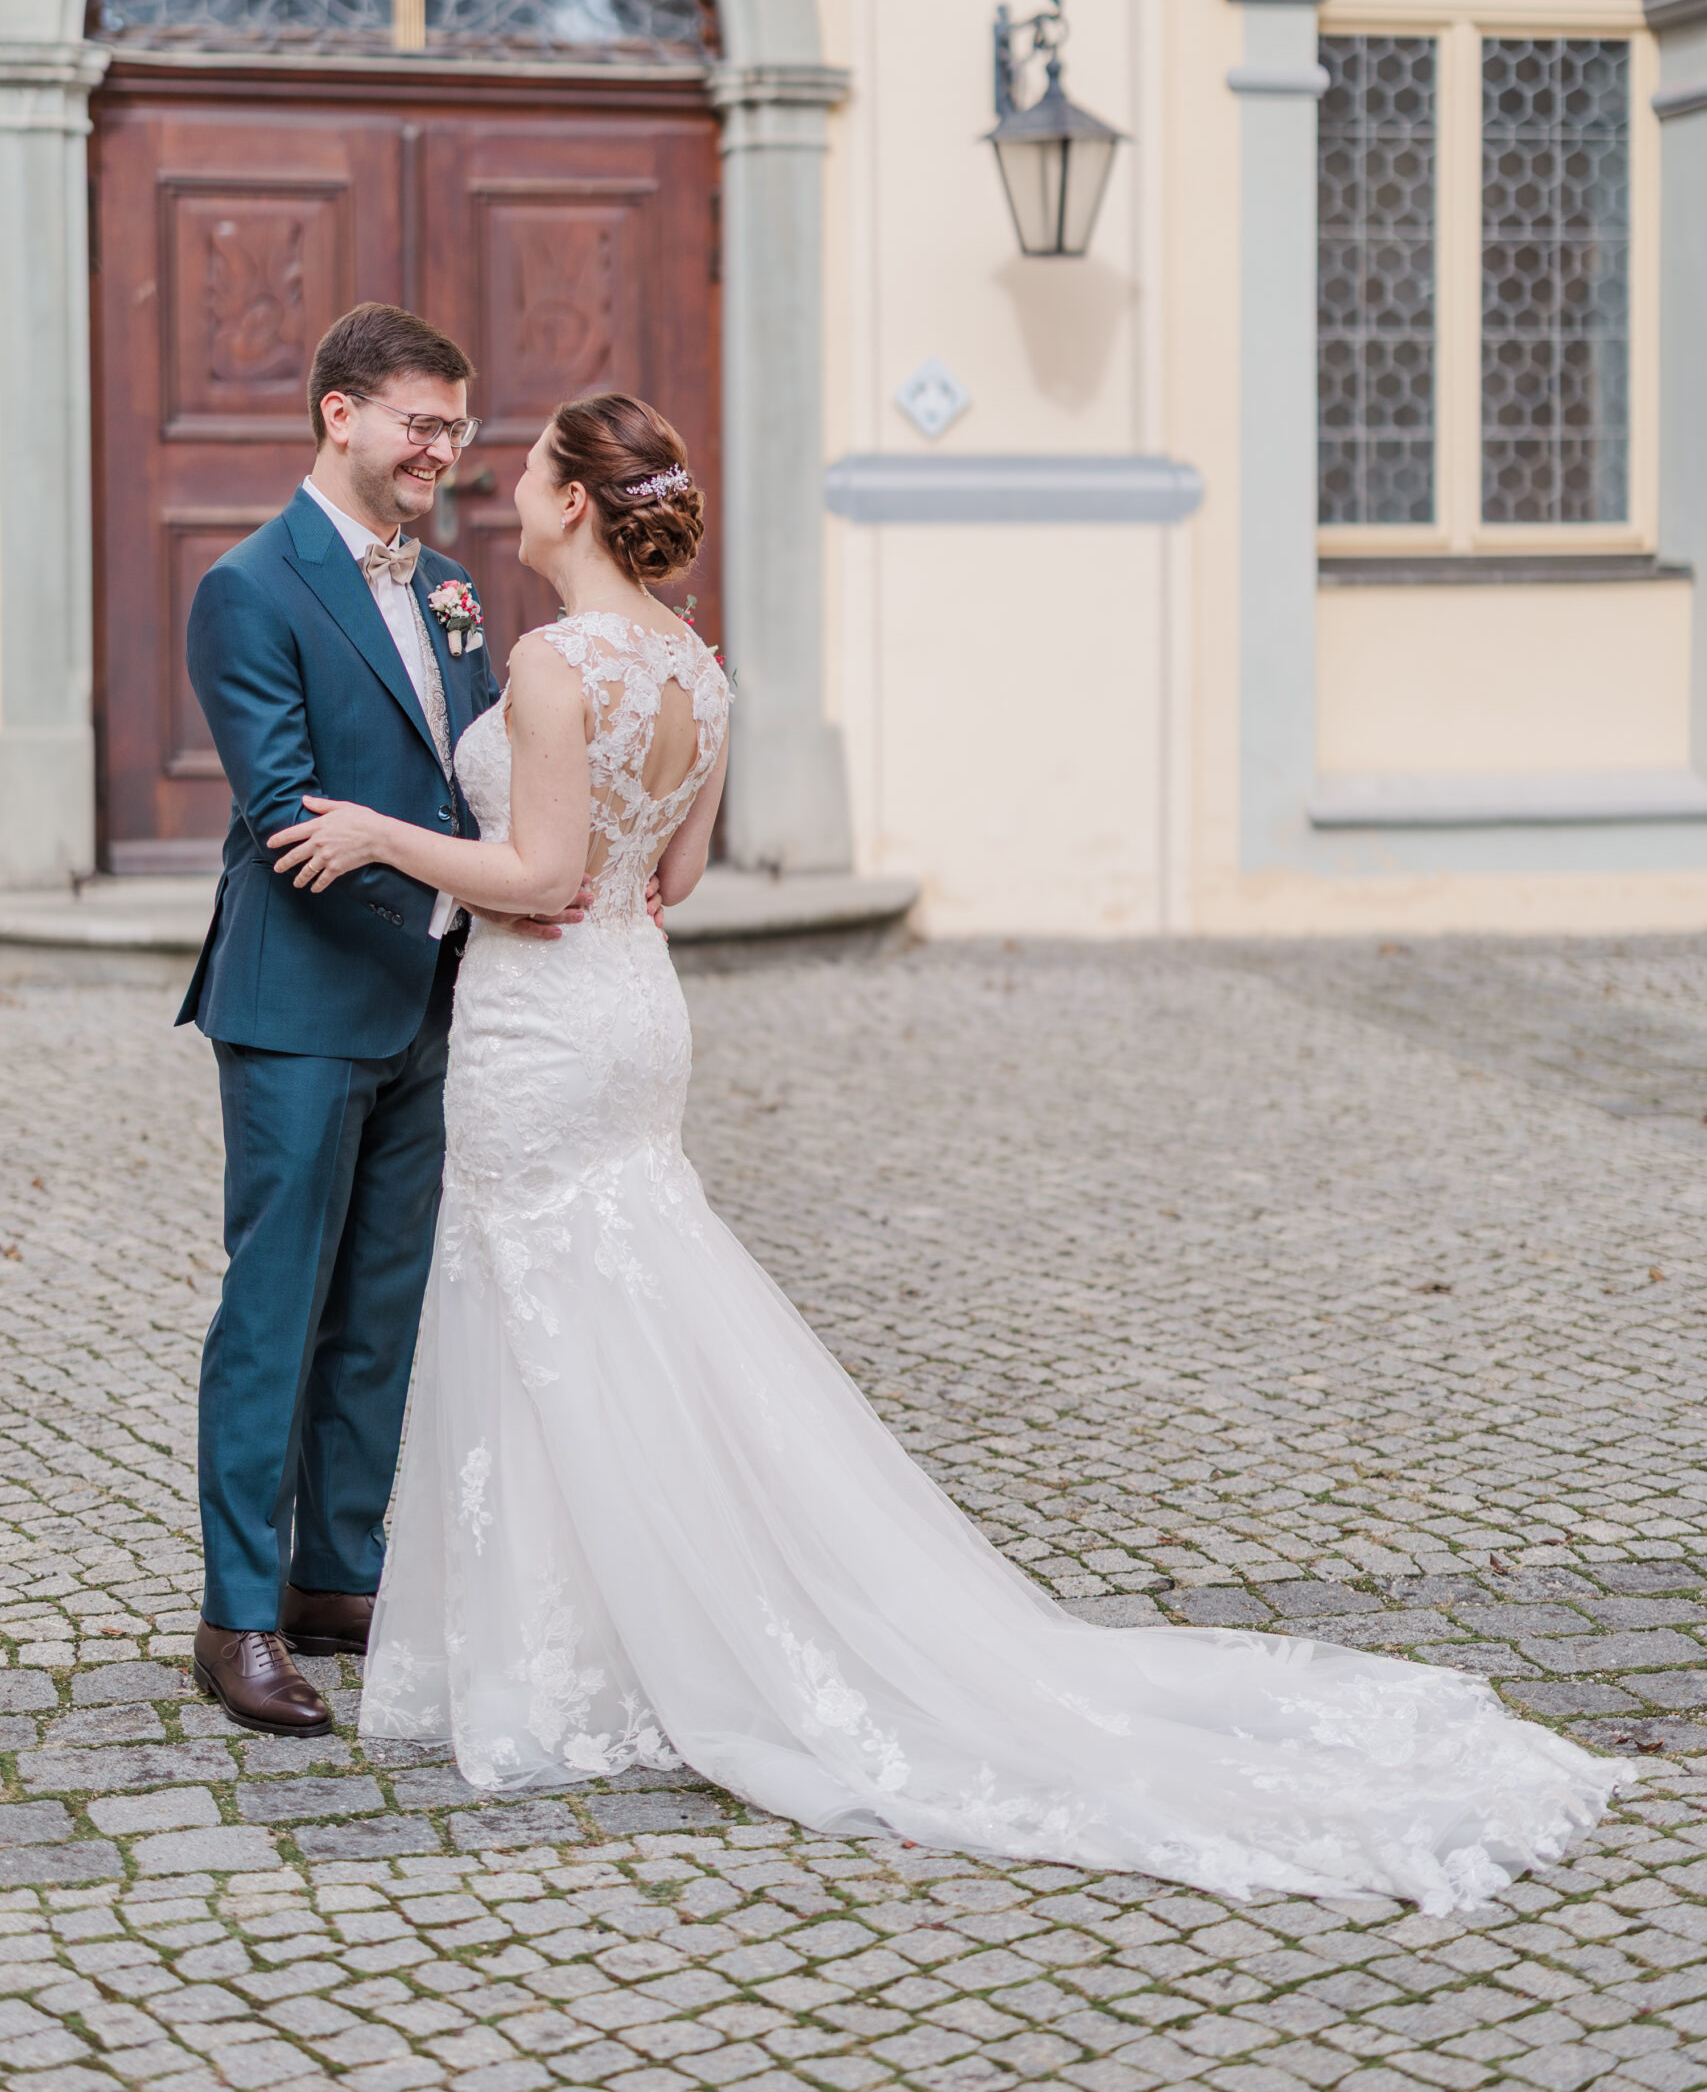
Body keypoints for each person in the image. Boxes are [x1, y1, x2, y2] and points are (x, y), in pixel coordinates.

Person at [272, 390, 1623, 1911]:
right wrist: (585, 877)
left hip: (544, 1023)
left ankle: (569, 1651)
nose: (505, 487)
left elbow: (538, 873)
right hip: (634, 1014)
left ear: (575, 501)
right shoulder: (698, 668)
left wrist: (381, 836)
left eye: (526, 468)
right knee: (625, 1294)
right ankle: (631, 1618)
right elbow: (676, 876)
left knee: (550, 1306)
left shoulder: (550, 661)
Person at [178, 302, 509, 1734]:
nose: (443, 449)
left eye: (455, 426)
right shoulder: (248, 588)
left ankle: (333, 1573)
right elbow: (288, 816)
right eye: (421, 423)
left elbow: (477, 770)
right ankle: (238, 1616)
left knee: (379, 1307)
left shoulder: (454, 589)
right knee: (277, 1309)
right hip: (301, 1002)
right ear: (340, 414)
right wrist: (451, 892)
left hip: (432, 999)